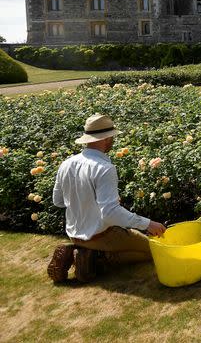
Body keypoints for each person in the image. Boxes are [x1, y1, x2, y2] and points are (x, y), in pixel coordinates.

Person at [47, 113, 166, 283]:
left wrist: (84, 201)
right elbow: (110, 213)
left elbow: (58, 201)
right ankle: (97, 260)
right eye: (112, 136)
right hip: (102, 236)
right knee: (152, 250)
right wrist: (149, 224)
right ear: (106, 139)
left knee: (135, 245)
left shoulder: (66, 164)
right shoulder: (104, 168)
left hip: (74, 234)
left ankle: (82, 252)